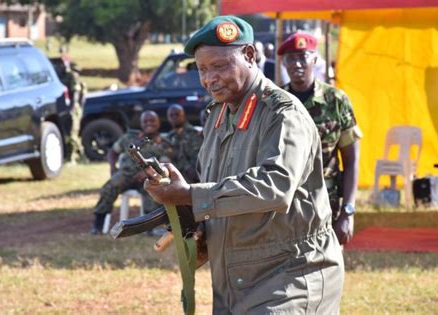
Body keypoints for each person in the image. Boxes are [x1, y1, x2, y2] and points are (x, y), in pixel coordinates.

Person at [143, 16, 344, 313]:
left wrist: (190, 195)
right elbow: (217, 187)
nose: (210, 78)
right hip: (235, 280)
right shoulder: (217, 115)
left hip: (289, 278)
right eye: (202, 69)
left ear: (249, 56)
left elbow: (275, 186)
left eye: (220, 66)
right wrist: (193, 217)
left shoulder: (283, 114)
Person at [278, 32, 362, 245]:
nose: (297, 63)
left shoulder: (336, 101)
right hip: (286, 203)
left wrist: (348, 212)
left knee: (328, 269)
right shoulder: (277, 103)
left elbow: (351, 159)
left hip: (326, 201)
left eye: (303, 57)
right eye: (290, 58)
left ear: (314, 60)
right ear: (283, 63)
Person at [91, 110, 171, 235]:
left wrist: (147, 173)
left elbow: (165, 165)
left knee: (154, 192)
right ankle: (98, 224)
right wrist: (112, 167)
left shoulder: (164, 143)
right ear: (141, 123)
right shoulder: (130, 137)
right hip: (126, 174)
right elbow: (113, 152)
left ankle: (150, 228)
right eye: (145, 121)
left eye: (152, 121)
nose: (149, 123)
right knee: (111, 186)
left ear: (159, 123)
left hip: (148, 177)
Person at [165, 104, 203, 183]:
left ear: (183, 115)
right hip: (180, 177)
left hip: (199, 174)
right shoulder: (168, 138)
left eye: (177, 114)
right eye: (171, 115)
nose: (174, 117)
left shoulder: (196, 133)